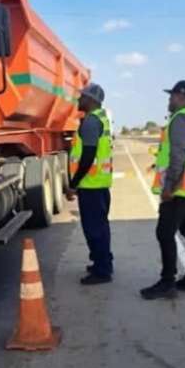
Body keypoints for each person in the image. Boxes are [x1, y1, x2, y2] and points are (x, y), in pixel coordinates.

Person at [140, 80, 185, 300]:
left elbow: (178, 154)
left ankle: (167, 282)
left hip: (179, 189)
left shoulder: (180, 118)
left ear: (181, 96)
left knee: (164, 232)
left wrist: (169, 186)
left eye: (171, 96)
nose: (169, 100)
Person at [67, 83, 114, 285]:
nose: (79, 99)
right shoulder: (101, 118)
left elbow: (88, 156)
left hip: (91, 186)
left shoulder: (91, 122)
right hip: (99, 184)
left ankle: (102, 271)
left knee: (94, 230)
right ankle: (102, 263)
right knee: (100, 228)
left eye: (82, 97)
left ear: (91, 100)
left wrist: (73, 183)